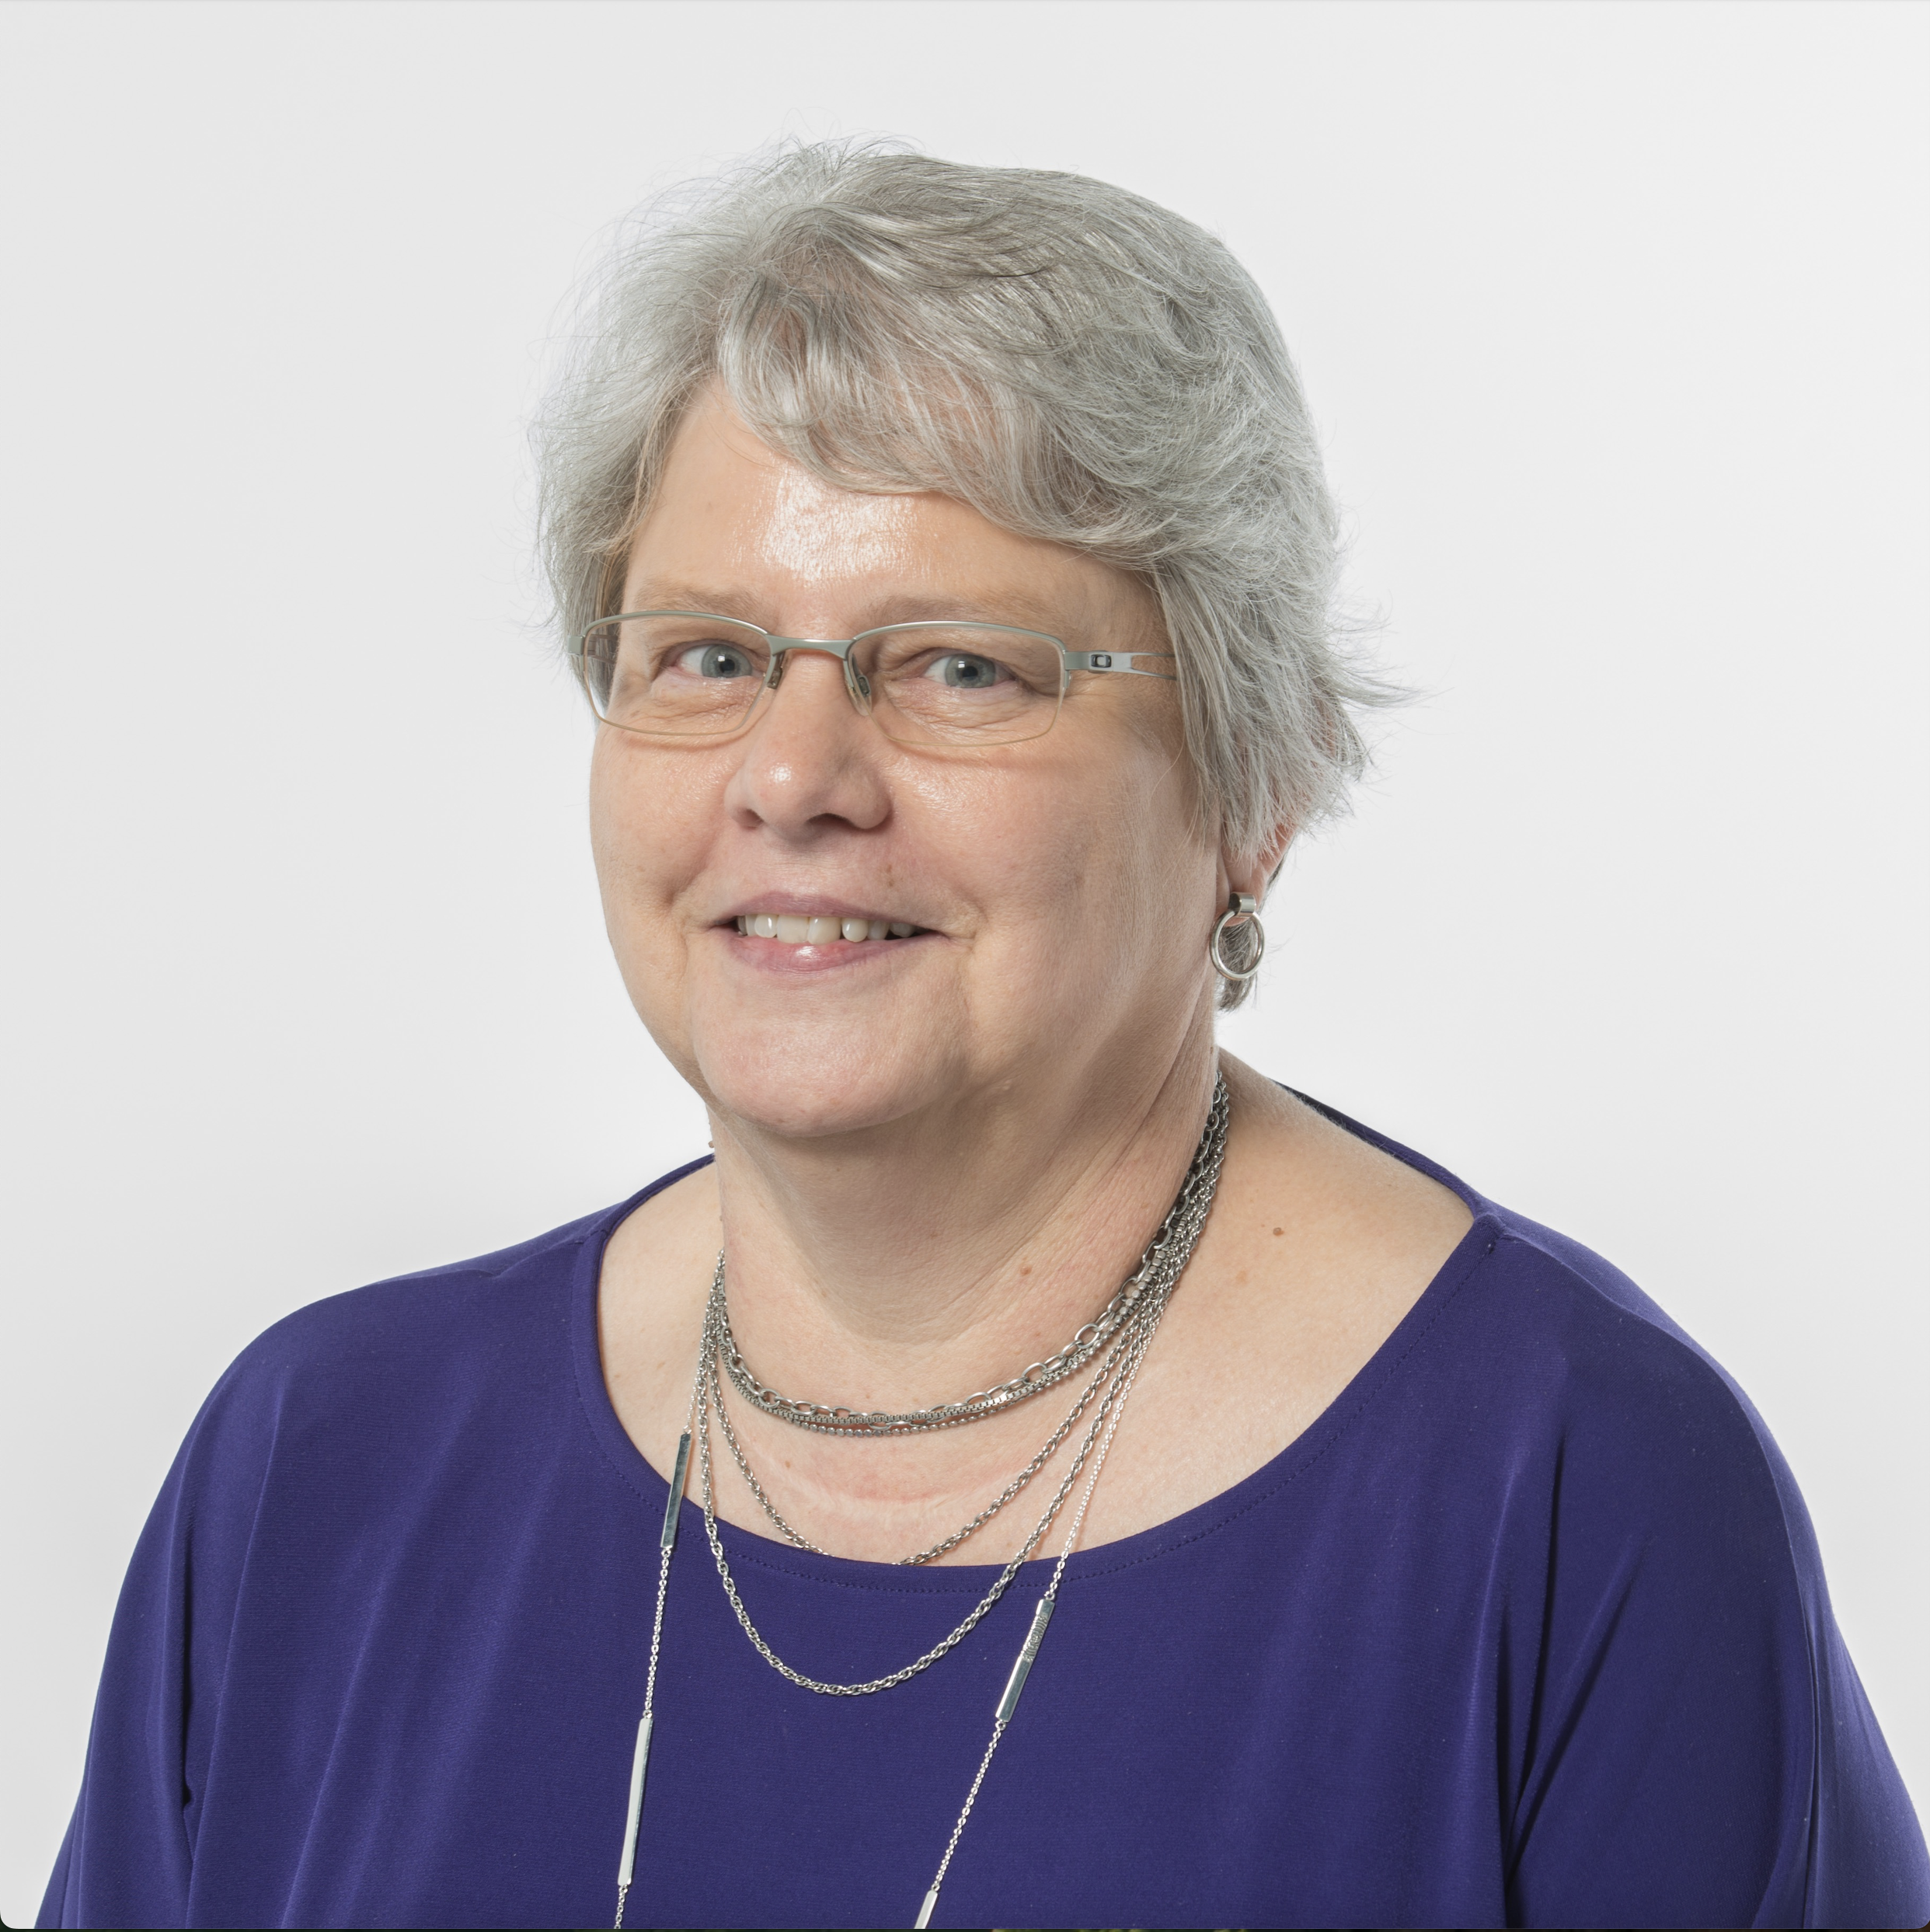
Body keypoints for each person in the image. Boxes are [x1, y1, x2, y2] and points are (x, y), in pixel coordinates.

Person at [40, 142, 1929, 1932]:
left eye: (959, 664)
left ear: (1252, 779)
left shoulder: (1573, 1492)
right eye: (706, 653)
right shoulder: (317, 1465)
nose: (793, 775)